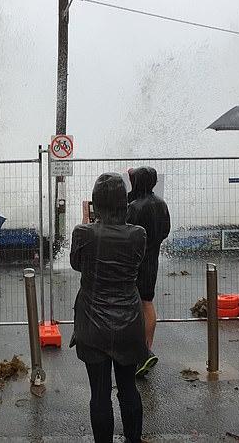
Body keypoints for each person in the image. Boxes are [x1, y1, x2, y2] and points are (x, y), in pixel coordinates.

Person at [70, 173, 147, 443]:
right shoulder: (138, 235)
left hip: (93, 322)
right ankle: (133, 440)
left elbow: (77, 264)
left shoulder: (83, 233)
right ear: (123, 202)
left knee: (99, 394)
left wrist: (85, 224)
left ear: (96, 203)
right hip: (128, 321)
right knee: (128, 389)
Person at [126, 167, 171, 377]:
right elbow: (165, 231)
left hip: (134, 261)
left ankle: (139, 353)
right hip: (152, 259)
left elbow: (126, 232)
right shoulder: (161, 203)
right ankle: (147, 347)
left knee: (132, 305)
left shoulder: (134, 207)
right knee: (147, 302)